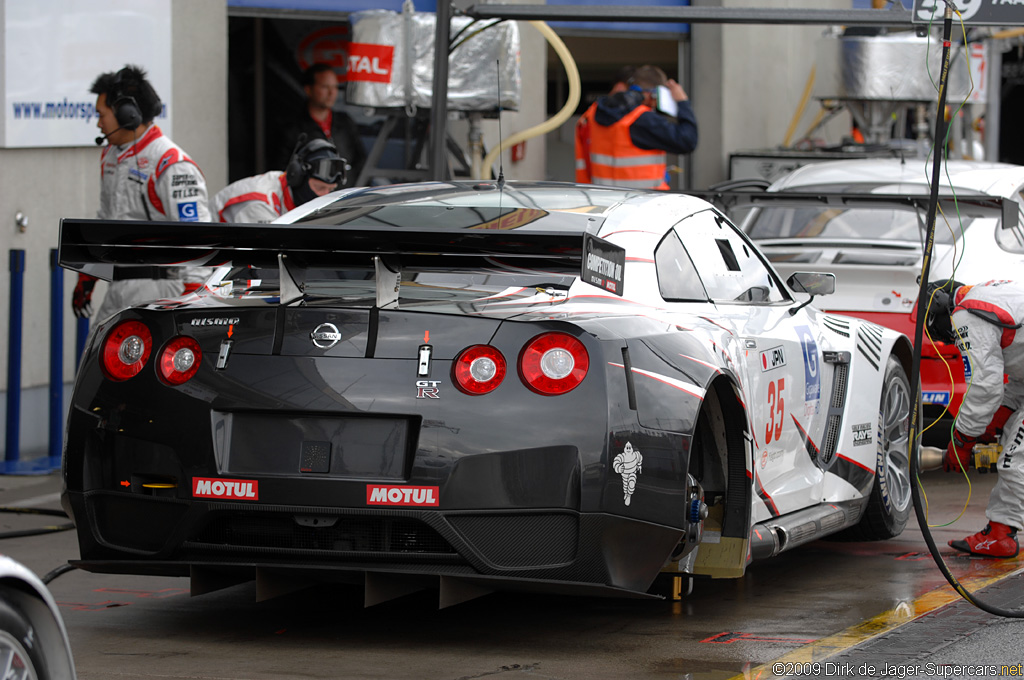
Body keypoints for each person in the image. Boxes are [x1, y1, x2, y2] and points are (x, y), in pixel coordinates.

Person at [72, 64, 212, 321]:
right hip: (118, 287)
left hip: (161, 289)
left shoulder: (171, 163)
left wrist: (193, 299)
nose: (98, 123)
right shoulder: (111, 156)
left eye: (102, 115)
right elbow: (105, 223)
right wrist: (88, 277)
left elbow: (198, 235)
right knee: (94, 357)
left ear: (127, 114)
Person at [924, 278, 1024, 558]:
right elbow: (1021, 373)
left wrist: (962, 440)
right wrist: (999, 417)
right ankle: (1000, 532)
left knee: (1015, 460)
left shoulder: (967, 313)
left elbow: (984, 387)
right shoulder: (994, 292)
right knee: (1013, 443)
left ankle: (1001, 536)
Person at [574, 64, 698, 190]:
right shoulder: (643, 120)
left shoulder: (592, 114)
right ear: (654, 95)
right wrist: (683, 102)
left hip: (603, 200)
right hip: (642, 203)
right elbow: (687, 140)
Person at [212, 138, 346, 223]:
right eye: (320, 188)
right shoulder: (259, 202)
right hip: (205, 263)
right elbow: (265, 260)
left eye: (330, 190)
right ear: (297, 177)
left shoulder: (287, 190)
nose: (325, 196)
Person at [277, 63, 365, 188]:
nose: (331, 93)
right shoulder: (293, 128)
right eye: (325, 87)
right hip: (312, 203)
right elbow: (284, 172)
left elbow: (360, 161)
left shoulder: (345, 122)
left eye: (335, 87)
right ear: (308, 89)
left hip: (348, 199)